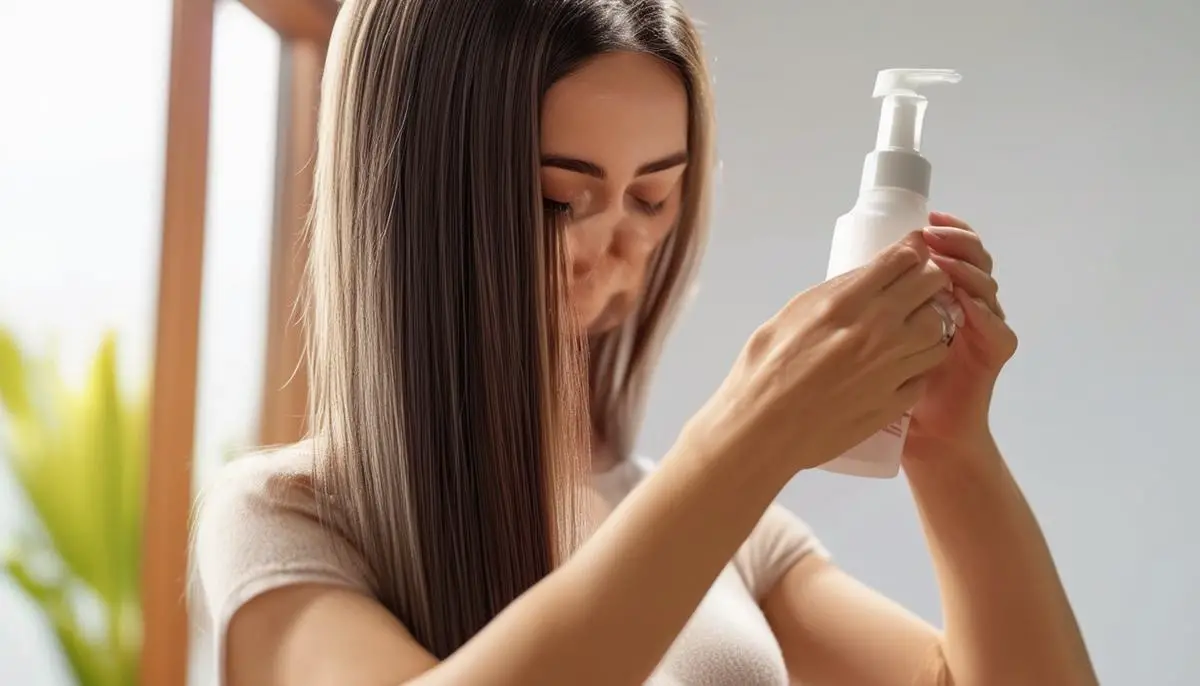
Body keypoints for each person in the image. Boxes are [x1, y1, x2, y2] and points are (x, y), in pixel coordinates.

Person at [192, 1, 1099, 684]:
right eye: (558, 196)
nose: (618, 245)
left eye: (653, 196)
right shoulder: (287, 520)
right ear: (413, 204)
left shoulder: (735, 537)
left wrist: (952, 446)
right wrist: (747, 439)